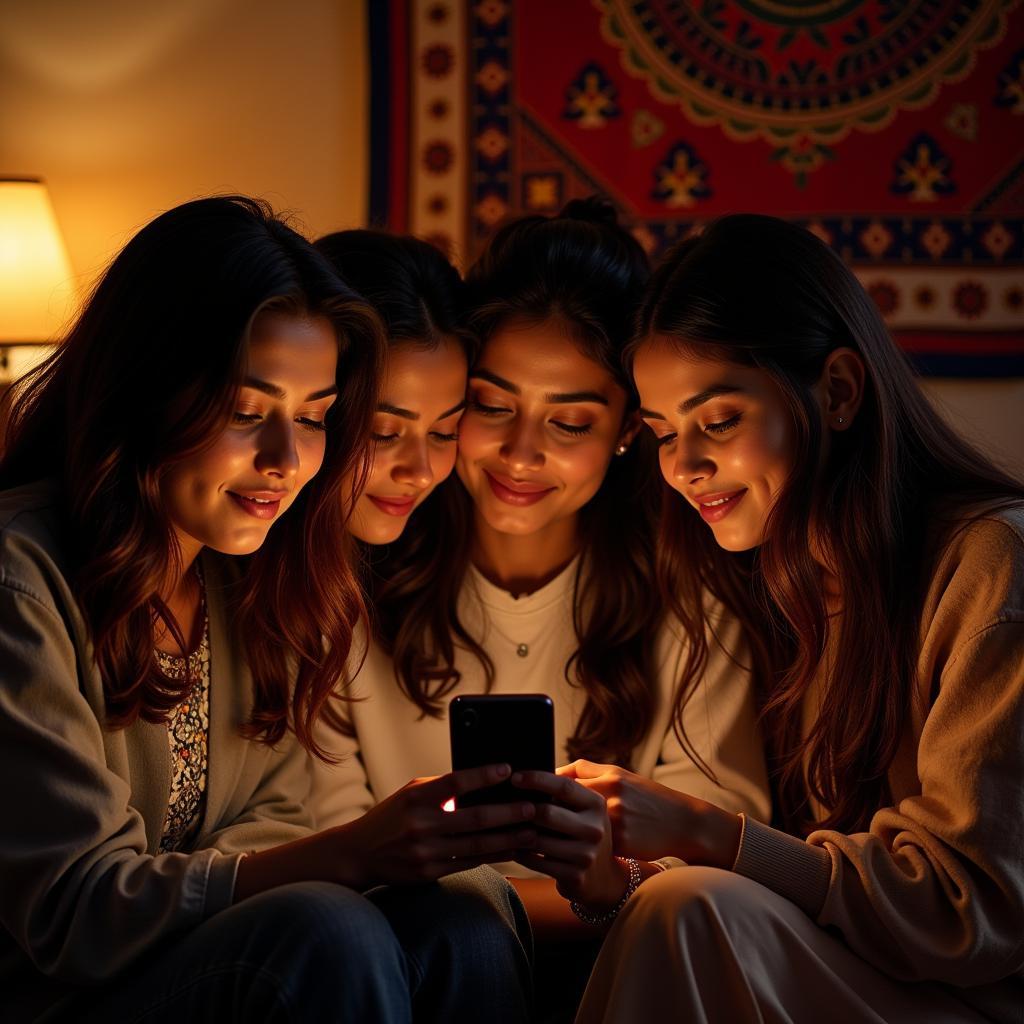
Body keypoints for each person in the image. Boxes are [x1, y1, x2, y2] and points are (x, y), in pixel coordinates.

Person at [0, 196, 531, 1023]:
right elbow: (74, 912)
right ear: (149, 388)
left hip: (179, 960)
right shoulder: (22, 583)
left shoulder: (252, 581)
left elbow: (272, 823)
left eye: (314, 418)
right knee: (326, 929)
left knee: (462, 915)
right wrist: (352, 853)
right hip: (50, 999)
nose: (287, 460)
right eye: (249, 414)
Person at [309, 200, 770, 1018]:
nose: (523, 453)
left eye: (569, 421)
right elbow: (329, 849)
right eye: (491, 408)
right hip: (408, 968)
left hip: (627, 971)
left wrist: (605, 883)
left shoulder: (693, 597)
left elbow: (721, 866)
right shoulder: (350, 580)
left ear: (630, 428)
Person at [572, 213, 1024, 1022]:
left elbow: (973, 913)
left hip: (980, 997)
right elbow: (806, 888)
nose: (683, 465)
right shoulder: (784, 586)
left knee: (693, 910)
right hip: (874, 974)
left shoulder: (992, 565)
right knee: (677, 904)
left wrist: (708, 832)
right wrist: (621, 877)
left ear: (839, 391)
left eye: (718, 421)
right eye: (663, 433)